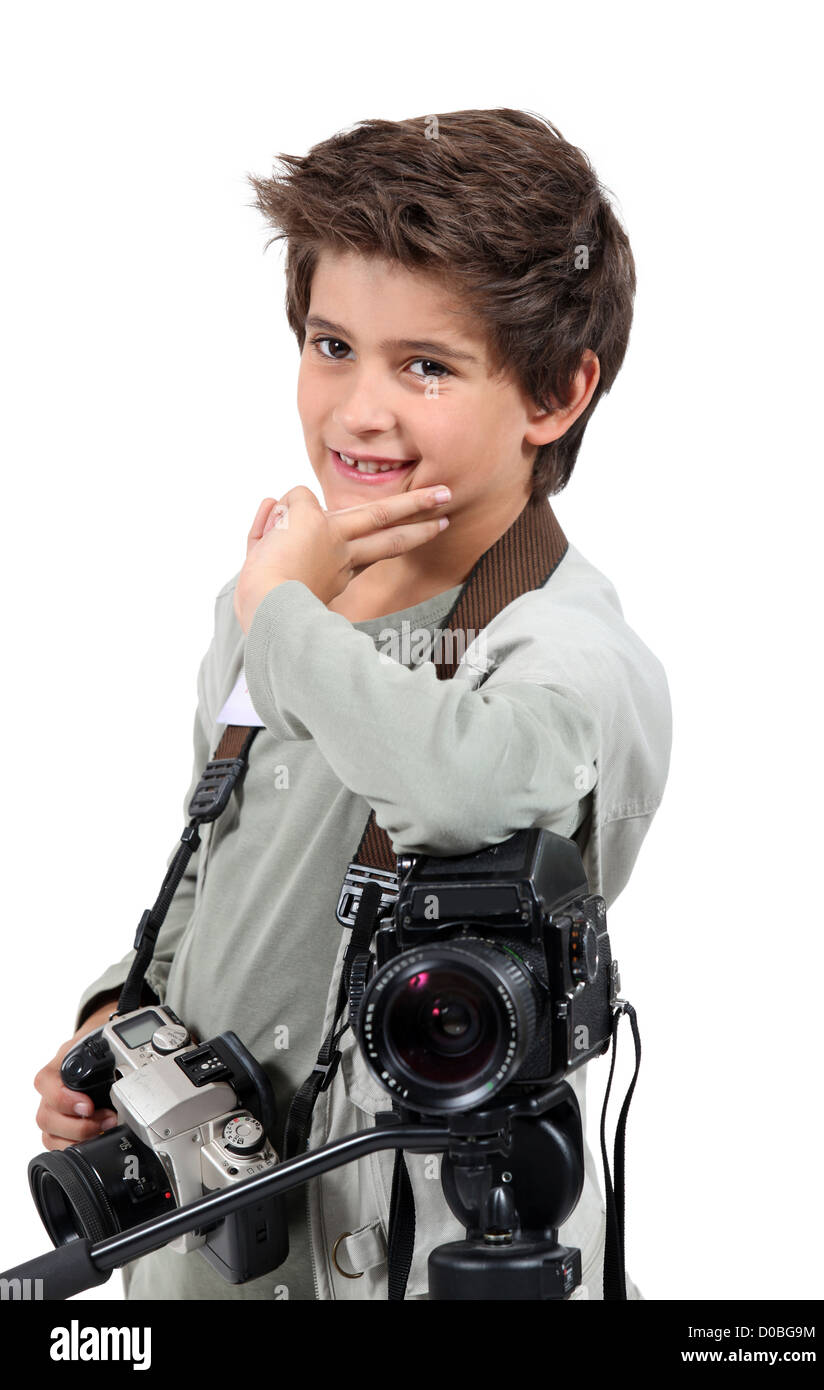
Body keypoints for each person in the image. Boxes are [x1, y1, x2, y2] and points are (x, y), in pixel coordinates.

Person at [33, 108, 672, 1300]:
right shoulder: (271, 604)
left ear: (554, 391)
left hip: (420, 1261)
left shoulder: (571, 650)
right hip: (208, 1269)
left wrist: (281, 613)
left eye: (424, 365)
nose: (357, 410)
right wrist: (123, 1016)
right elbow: (212, 861)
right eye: (331, 345)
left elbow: (461, 779)